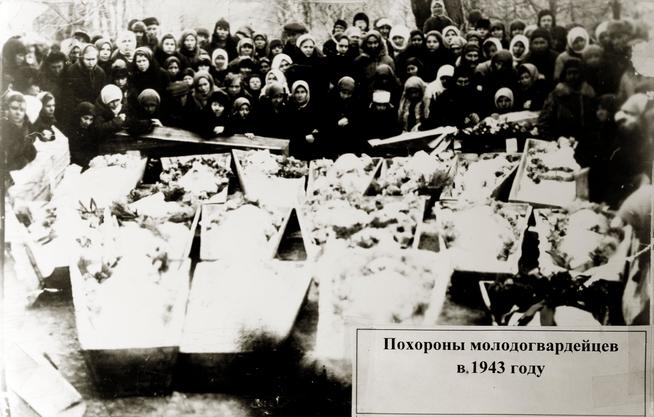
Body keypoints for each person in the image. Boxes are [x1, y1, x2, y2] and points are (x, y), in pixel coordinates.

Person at [538, 58, 597, 141]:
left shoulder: (588, 94)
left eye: (576, 73)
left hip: (585, 141)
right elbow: (543, 122)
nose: (572, 76)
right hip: (561, 140)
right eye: (569, 73)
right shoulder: (556, 95)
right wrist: (553, 140)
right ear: (564, 75)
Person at [62, 44, 107, 129]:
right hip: (77, 110)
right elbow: (69, 97)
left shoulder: (100, 73)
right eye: (88, 59)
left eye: (93, 59)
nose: (91, 63)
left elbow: (101, 95)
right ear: (82, 58)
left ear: (97, 59)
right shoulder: (72, 71)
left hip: (95, 110)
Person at [321, 76, 363, 156]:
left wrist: (350, 121)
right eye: (343, 93)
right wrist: (337, 124)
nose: (346, 96)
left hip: (351, 144)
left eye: (349, 94)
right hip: (333, 143)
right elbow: (324, 124)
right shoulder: (329, 102)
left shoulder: (356, 104)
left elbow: (359, 124)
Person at [1, 92, 37, 171]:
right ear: (7, 109)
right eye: (14, 108)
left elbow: (31, 151)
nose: (18, 113)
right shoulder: (3, 127)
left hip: (20, 165)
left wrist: (23, 161)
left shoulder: (28, 127)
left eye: (22, 110)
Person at [354, 31, 395, 97]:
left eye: (375, 43)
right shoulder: (360, 60)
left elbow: (393, 83)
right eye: (369, 43)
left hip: (383, 97)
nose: (373, 46)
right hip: (364, 96)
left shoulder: (388, 60)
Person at [288, 80, 320, 159]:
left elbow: (319, 129)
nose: (300, 95)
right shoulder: (289, 109)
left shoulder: (314, 110)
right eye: (297, 92)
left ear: (307, 93)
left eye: (302, 92)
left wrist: (315, 134)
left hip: (310, 151)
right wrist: (303, 137)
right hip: (293, 150)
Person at [67, 102, 99, 167]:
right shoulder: (69, 130)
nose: (88, 122)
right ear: (78, 116)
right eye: (85, 118)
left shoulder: (91, 130)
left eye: (91, 119)